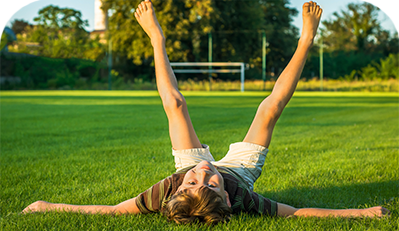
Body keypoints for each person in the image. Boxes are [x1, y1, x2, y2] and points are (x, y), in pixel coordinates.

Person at [22, 0, 390, 224]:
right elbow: (298, 213)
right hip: (240, 173)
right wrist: (361, 213)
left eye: (193, 182)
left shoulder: (165, 190)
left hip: (186, 174)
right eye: (209, 183)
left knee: (176, 105)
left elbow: (110, 211)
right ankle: (306, 40)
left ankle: (156, 38)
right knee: (270, 109)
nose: (203, 172)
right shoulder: (243, 196)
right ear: (227, 197)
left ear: (177, 188)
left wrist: (45, 205)